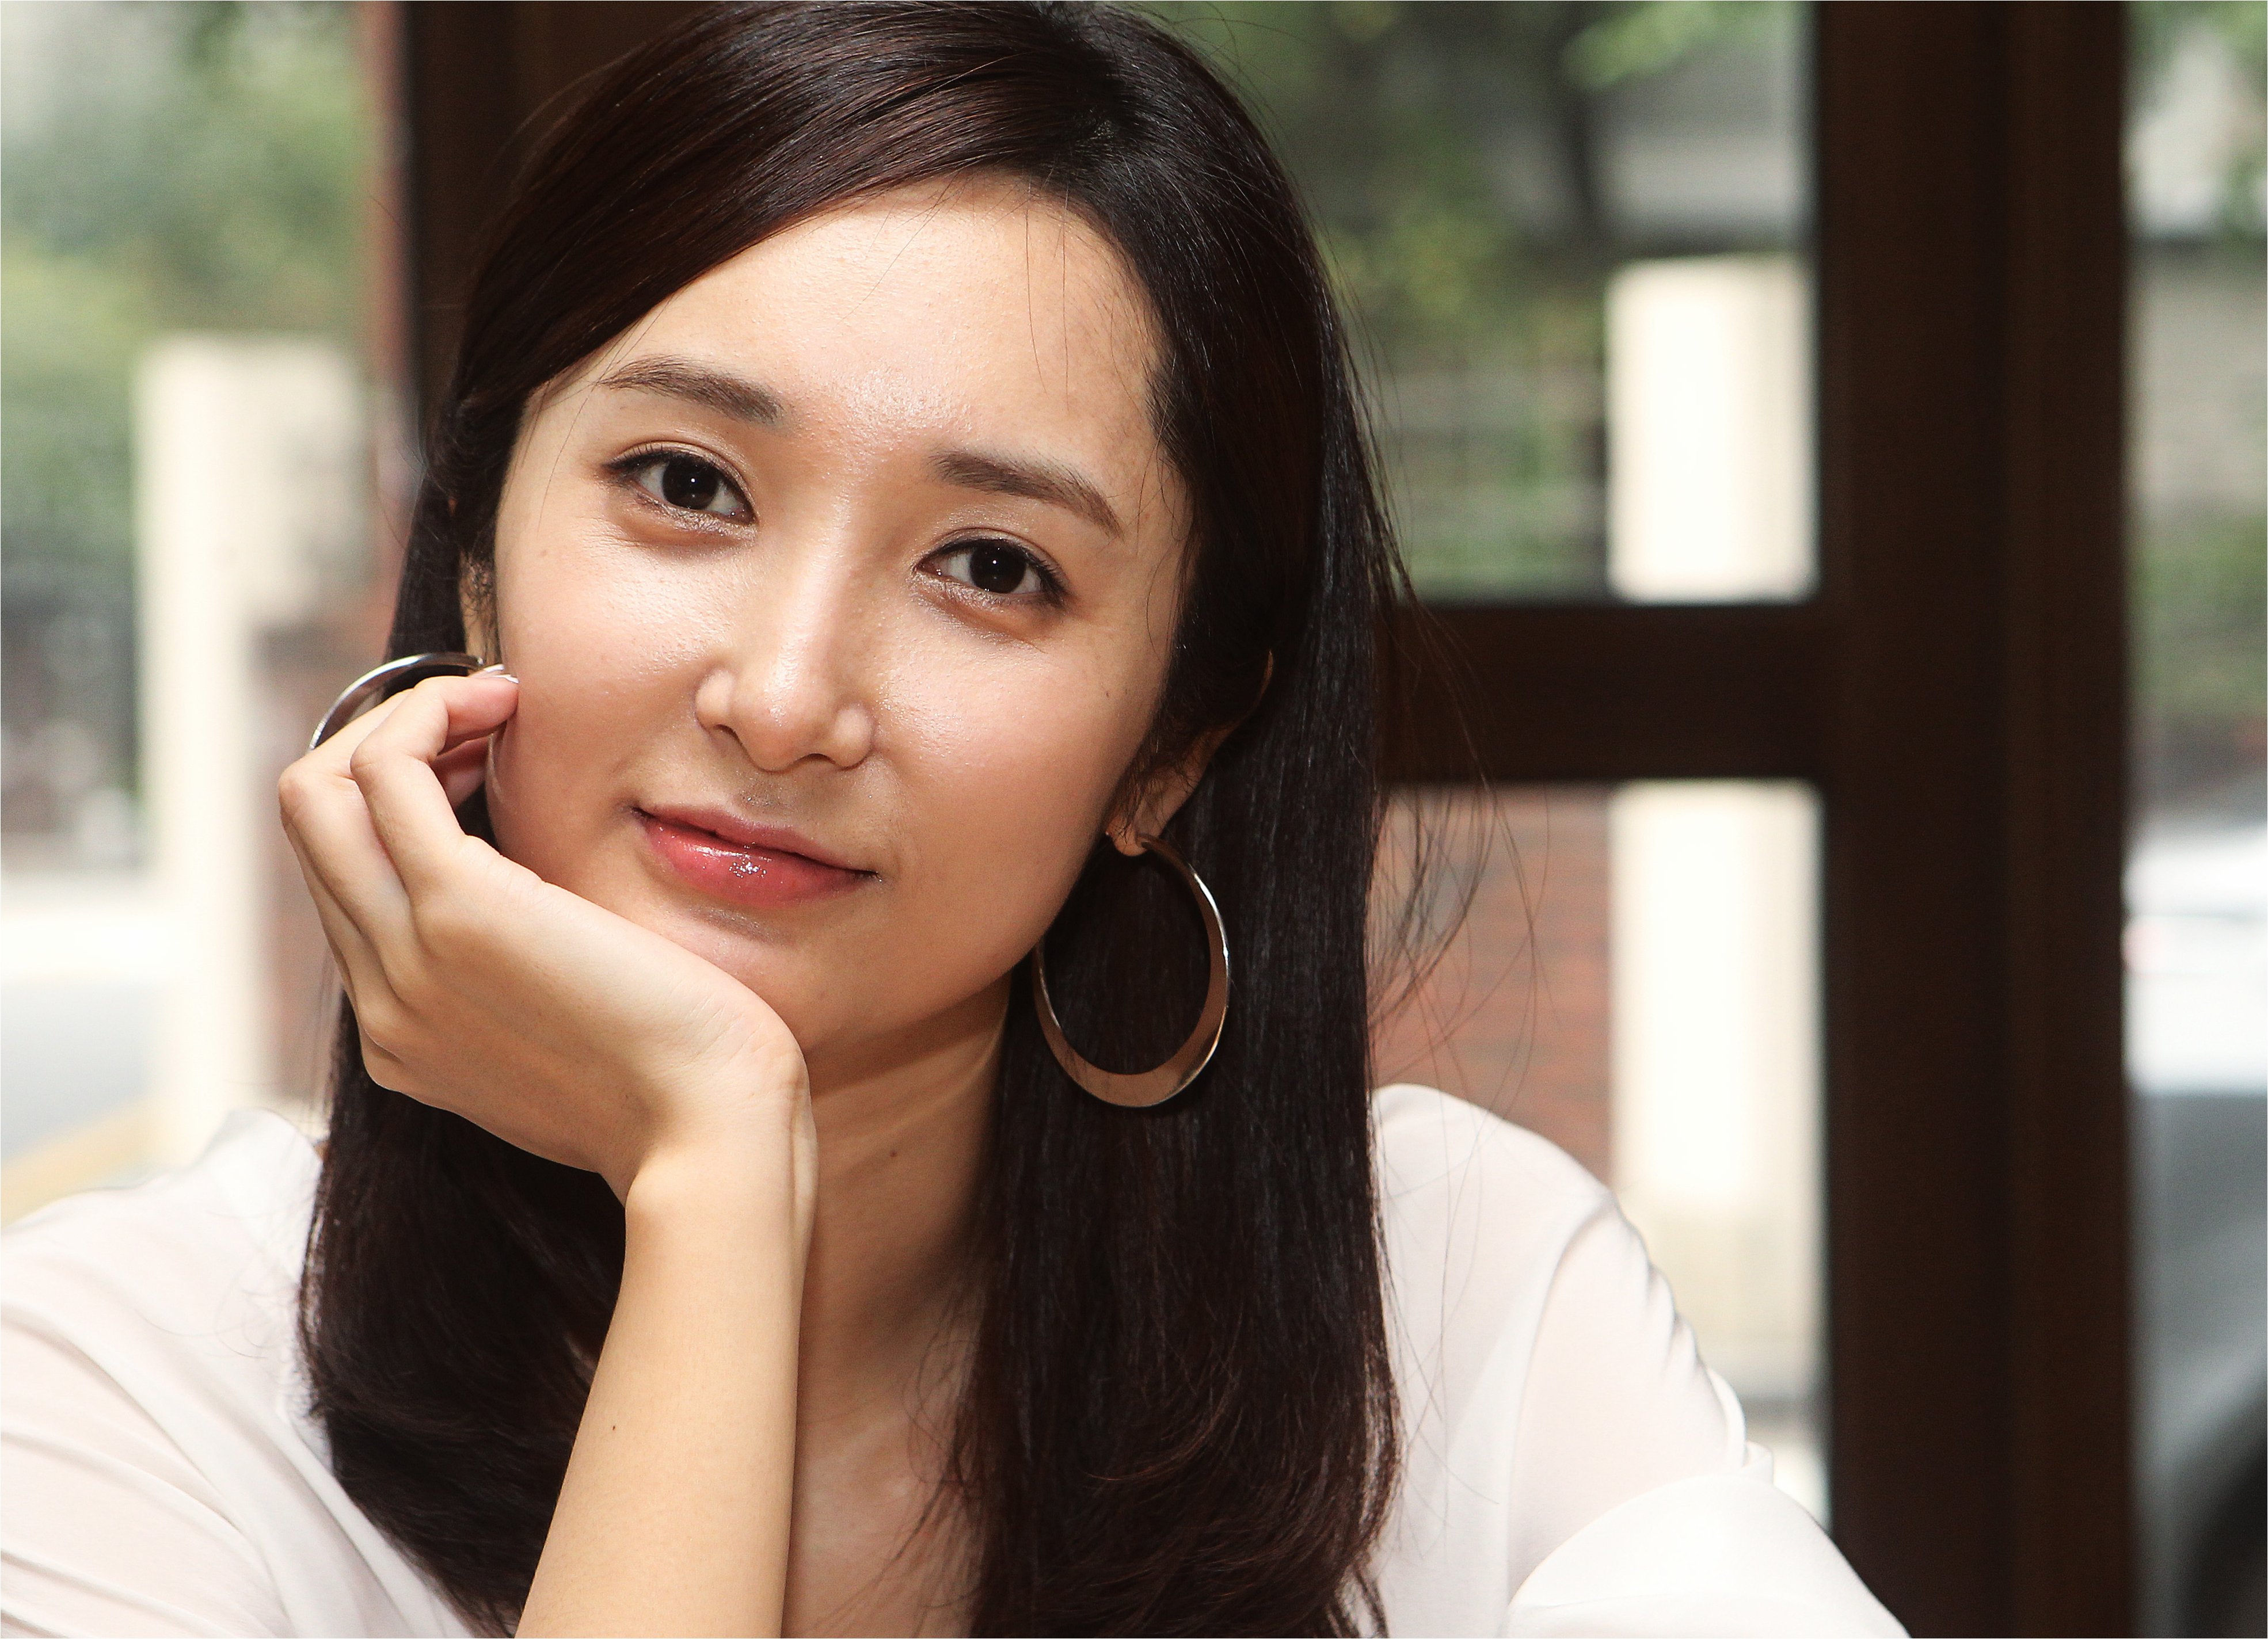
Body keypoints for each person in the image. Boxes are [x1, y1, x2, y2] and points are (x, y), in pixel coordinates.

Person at [0, 6, 1902, 1635]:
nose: (785, 696)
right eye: (686, 483)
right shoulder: (123, 1387)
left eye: (992, 567)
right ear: (482, 565)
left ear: (1169, 744)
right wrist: (712, 1179)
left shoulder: (1463, 1305)